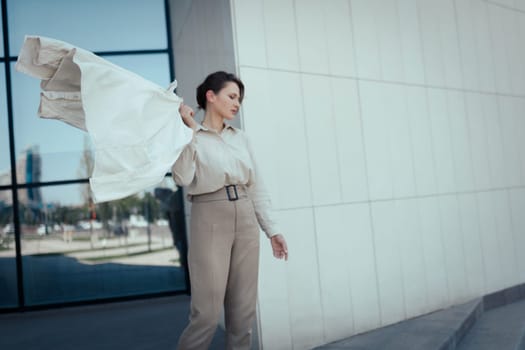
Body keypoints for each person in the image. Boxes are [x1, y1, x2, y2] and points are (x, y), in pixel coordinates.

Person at [172, 71, 288, 350]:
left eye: (240, 99)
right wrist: (188, 130)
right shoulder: (189, 135)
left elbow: (257, 186)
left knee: (242, 313)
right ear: (211, 97)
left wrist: (272, 230)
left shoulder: (242, 139)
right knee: (207, 314)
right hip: (209, 216)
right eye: (232, 96)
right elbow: (182, 178)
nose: (237, 103)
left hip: (246, 217)